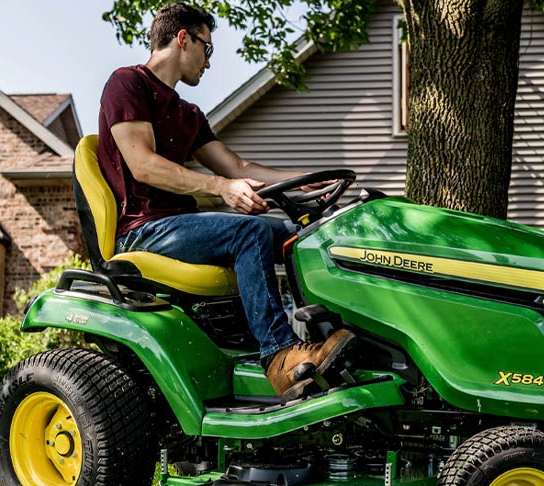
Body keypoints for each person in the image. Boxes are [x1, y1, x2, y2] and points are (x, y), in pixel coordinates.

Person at [97, 2, 353, 401]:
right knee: (248, 232)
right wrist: (220, 188)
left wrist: (304, 185)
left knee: (301, 232)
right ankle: (281, 357)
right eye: (208, 48)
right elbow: (143, 165)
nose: (209, 62)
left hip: (183, 228)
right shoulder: (128, 84)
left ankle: (333, 341)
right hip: (144, 230)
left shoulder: (188, 113)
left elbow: (236, 165)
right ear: (183, 39)